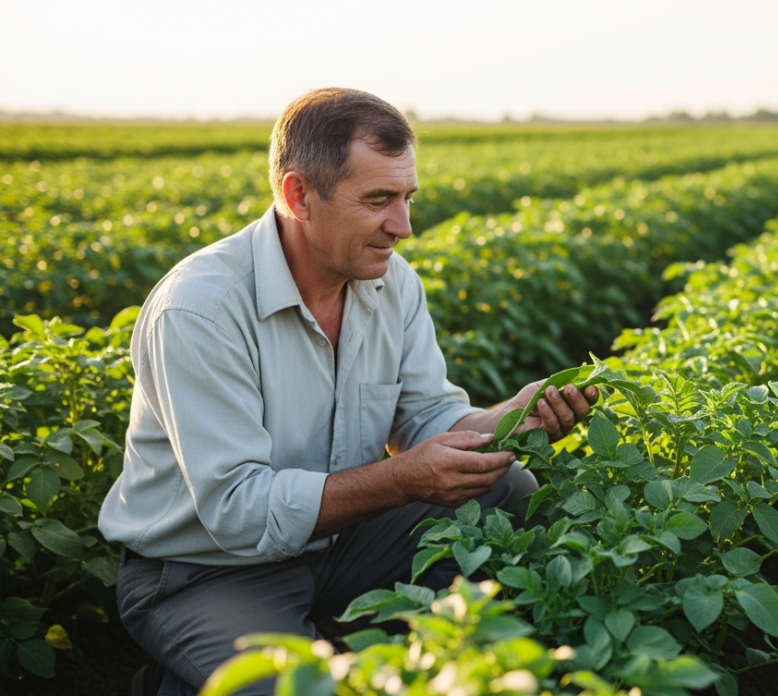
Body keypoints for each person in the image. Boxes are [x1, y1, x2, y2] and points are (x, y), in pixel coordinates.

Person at [97, 87, 598, 696]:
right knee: (300, 689)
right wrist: (399, 479)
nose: (403, 226)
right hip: (207, 570)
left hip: (341, 543)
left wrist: (513, 418)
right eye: (378, 200)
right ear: (298, 195)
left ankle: (326, 639)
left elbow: (428, 418)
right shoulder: (201, 309)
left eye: (407, 198)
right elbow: (236, 511)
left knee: (507, 487)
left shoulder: (389, 283)